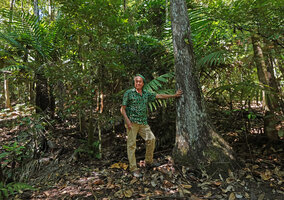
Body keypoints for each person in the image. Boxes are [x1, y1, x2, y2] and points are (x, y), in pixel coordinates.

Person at [120, 74, 182, 177]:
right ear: (134, 83)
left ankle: (149, 161)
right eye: (136, 81)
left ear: (143, 83)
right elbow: (122, 109)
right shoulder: (129, 93)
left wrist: (174, 95)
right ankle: (133, 168)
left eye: (140, 81)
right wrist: (128, 122)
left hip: (143, 123)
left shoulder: (146, 94)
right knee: (131, 145)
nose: (138, 83)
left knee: (151, 139)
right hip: (132, 123)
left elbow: (159, 96)